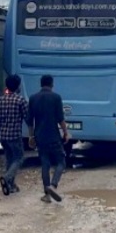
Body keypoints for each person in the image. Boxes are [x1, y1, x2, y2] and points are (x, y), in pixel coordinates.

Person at [28, 74, 70, 203]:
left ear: (41, 84)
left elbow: (30, 121)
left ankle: (47, 195)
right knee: (61, 162)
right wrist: (66, 133)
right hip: (53, 136)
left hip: (40, 137)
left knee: (45, 164)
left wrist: (31, 136)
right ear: (52, 84)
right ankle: (53, 185)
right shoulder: (56, 97)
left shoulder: (33, 98)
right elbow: (60, 118)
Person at [0, 74, 29, 196]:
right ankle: (7, 177)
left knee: (10, 159)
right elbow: (28, 119)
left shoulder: (1, 100)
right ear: (17, 87)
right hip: (14, 136)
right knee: (19, 158)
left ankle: (10, 185)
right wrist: (32, 135)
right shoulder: (20, 100)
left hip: (3, 136)